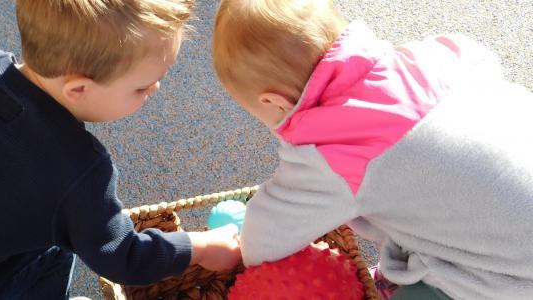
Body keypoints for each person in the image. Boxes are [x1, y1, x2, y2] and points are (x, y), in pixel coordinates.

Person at [212, 0, 533, 299]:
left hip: (510, 276)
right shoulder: (436, 53)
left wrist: (243, 244)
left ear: (273, 103)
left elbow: (266, 239)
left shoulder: (330, 151)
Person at [0, 0, 241, 299]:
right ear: (79, 89)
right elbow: (124, 257)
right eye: (143, 87)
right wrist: (201, 247)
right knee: (59, 248)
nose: (155, 90)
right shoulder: (79, 171)